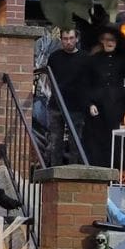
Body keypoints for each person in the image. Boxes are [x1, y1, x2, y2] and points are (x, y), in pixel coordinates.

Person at [86, 27, 125, 168]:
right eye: (105, 39)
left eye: (112, 40)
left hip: (118, 104)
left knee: (120, 138)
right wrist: (90, 103)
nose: (108, 43)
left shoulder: (124, 59)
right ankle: (100, 171)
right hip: (98, 106)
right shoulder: (93, 60)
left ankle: (121, 170)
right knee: (99, 140)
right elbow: (87, 83)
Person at [44, 28, 93, 164]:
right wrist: (51, 92)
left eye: (71, 38)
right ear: (61, 40)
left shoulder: (84, 58)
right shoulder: (54, 57)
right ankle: (54, 172)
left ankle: (73, 173)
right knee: (55, 141)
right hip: (56, 104)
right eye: (65, 39)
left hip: (76, 105)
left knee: (75, 141)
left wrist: (89, 103)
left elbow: (89, 83)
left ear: (76, 39)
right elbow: (48, 79)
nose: (68, 42)